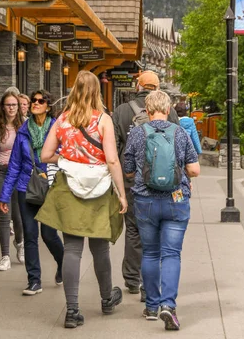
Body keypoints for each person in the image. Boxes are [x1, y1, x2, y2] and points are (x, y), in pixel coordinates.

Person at [38, 71, 127, 329]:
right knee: (100, 249)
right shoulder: (103, 120)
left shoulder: (62, 120)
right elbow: (111, 159)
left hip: (70, 188)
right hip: (99, 189)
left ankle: (72, 311)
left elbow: (45, 155)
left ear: (75, 90)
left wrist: (67, 159)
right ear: (96, 92)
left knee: (72, 250)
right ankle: (107, 298)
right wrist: (122, 193)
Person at [125, 90, 200, 330]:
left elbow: (128, 169)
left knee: (150, 253)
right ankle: (169, 305)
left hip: (145, 201)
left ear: (147, 110)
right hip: (175, 201)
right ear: (168, 110)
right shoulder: (179, 133)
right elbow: (195, 170)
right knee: (171, 254)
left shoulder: (137, 134)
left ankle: (151, 306)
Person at [113, 70, 179, 297]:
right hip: (164, 184)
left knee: (133, 229)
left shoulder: (122, 111)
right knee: (157, 231)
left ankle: (132, 278)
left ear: (138, 85)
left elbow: (114, 146)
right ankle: (149, 282)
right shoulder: (169, 113)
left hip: (132, 181)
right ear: (157, 88)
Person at [0, 89, 64, 296]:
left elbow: (63, 157)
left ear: (48, 105)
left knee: (48, 234)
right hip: (25, 187)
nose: (35, 103)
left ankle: (63, 264)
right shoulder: (24, 130)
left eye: (40, 101)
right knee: (29, 234)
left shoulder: (57, 129)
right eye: (33, 100)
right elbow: (15, 164)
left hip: (50, 187)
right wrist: (4, 195)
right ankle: (34, 280)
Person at [0, 90, 25, 270]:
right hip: (1, 173)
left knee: (18, 216)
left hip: (18, 174)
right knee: (4, 215)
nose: (11, 108)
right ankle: (5, 256)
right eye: (8, 105)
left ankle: (20, 242)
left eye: (14, 105)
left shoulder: (24, 125)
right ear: (3, 106)